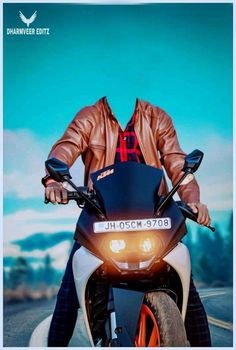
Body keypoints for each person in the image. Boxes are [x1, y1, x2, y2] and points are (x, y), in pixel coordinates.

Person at [42, 96, 212, 347]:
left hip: (154, 215)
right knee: (69, 293)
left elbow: (177, 162)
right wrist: (53, 181)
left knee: (188, 292)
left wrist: (193, 199)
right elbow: (66, 147)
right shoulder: (90, 116)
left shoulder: (156, 117)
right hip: (102, 214)